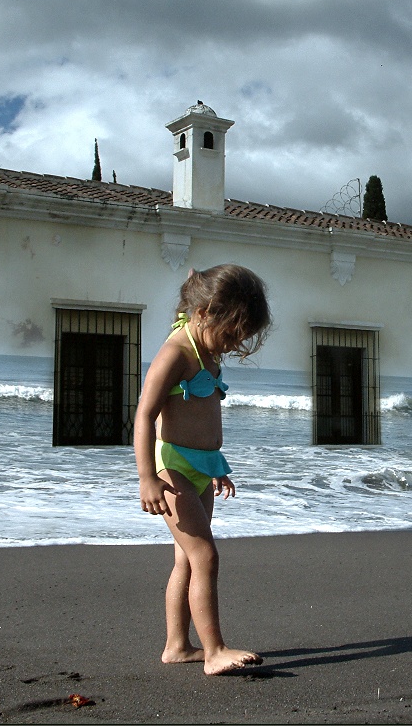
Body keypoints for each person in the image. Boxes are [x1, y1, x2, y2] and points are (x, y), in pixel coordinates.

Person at [135, 264, 271, 676]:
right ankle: (214, 651)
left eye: (240, 339)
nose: (233, 345)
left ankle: (177, 646)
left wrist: (216, 467)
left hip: (201, 468)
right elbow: (144, 416)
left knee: (186, 560)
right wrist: (147, 478)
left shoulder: (207, 350)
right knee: (205, 556)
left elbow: (203, 414)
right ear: (206, 311)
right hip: (172, 468)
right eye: (230, 334)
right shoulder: (175, 352)